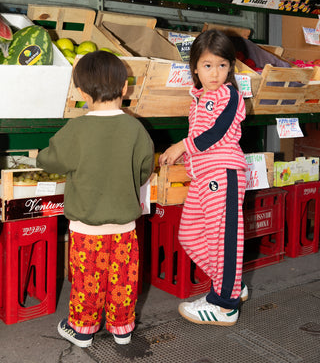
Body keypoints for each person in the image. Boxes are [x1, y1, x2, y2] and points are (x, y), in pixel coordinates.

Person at [36, 51, 154, 348]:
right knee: (123, 282)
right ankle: (122, 329)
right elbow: (144, 169)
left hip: (87, 229)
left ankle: (83, 330)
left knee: (87, 280)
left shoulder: (77, 129)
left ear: (79, 92)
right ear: (124, 88)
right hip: (125, 228)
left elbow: (49, 160)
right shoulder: (135, 128)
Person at [159, 29, 248, 326]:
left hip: (223, 174)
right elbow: (200, 136)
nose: (215, 73)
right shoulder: (197, 98)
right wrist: (186, 151)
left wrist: (181, 146)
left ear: (230, 68)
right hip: (202, 177)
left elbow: (216, 134)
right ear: (195, 67)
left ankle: (225, 305)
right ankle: (232, 286)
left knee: (222, 240)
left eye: (222, 65)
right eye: (208, 65)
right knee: (190, 234)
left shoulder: (229, 95)